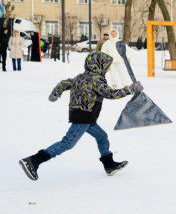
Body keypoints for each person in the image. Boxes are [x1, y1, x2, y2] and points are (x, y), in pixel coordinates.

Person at [18, 51, 143, 181]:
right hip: (84, 117)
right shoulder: (97, 80)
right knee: (68, 143)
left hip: (86, 117)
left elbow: (64, 83)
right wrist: (131, 89)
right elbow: (110, 94)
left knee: (102, 136)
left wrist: (55, 94)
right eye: (107, 66)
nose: (108, 68)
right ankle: (34, 160)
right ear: (99, 65)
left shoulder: (81, 76)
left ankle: (109, 164)